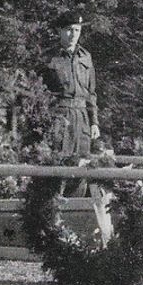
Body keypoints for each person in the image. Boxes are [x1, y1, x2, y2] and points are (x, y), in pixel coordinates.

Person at [42, 12, 100, 196]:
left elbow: (91, 93)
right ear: (60, 31)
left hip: (82, 116)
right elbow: (39, 92)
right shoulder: (49, 58)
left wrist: (94, 122)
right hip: (60, 116)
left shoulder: (86, 57)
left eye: (77, 30)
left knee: (82, 165)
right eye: (69, 30)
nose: (73, 34)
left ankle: (74, 216)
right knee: (59, 164)